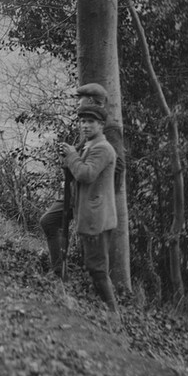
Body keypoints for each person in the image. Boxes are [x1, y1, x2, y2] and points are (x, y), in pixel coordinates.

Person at [39, 83, 126, 277]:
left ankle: (63, 273)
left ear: (94, 102)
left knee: (95, 260)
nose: (78, 105)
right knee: (49, 221)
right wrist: (69, 155)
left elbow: (118, 165)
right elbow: (81, 154)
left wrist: (96, 187)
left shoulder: (109, 129)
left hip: (94, 194)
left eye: (82, 100)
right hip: (78, 188)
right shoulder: (88, 124)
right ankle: (58, 269)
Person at [59, 101, 120, 315]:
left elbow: (86, 174)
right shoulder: (90, 146)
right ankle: (106, 309)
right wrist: (70, 160)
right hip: (92, 213)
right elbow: (77, 172)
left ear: (101, 124)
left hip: (97, 217)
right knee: (93, 266)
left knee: (97, 268)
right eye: (83, 121)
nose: (85, 126)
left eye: (91, 122)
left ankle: (113, 314)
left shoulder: (102, 148)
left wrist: (72, 156)